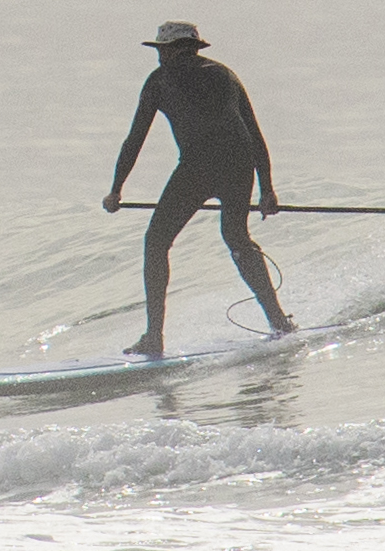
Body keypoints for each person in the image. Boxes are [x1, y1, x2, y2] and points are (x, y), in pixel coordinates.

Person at [102, 19, 286, 352]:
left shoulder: (162, 81)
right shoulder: (223, 74)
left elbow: (135, 139)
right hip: (236, 165)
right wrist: (266, 188)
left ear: (174, 50)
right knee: (235, 236)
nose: (161, 58)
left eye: (163, 51)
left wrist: (116, 190)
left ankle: (154, 338)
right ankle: (279, 322)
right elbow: (255, 135)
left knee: (157, 242)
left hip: (201, 169)